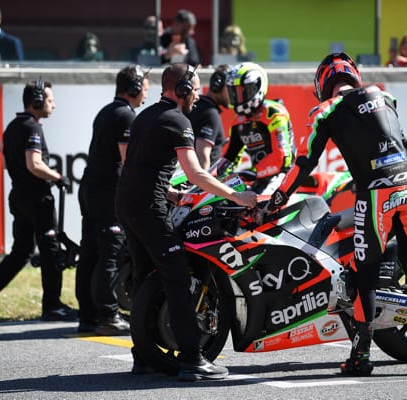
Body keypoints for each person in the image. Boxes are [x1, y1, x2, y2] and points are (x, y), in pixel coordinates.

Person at [267, 52, 407, 375]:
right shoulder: (384, 97)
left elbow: (305, 161)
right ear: (355, 77)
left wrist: (279, 196)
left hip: (377, 197)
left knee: (365, 274)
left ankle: (361, 356)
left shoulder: (327, 109)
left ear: (322, 85)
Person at [115, 63, 257, 380]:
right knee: (176, 275)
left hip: (126, 203)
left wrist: (171, 193)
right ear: (182, 89)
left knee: (144, 277)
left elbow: (138, 168)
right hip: (148, 207)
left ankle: (144, 356)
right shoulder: (178, 120)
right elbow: (196, 173)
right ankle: (193, 359)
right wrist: (237, 196)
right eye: (194, 88)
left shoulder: (145, 116)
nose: (197, 94)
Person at [0, 79, 76, 324]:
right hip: (37, 199)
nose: (53, 105)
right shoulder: (33, 128)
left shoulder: (12, 126)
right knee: (51, 251)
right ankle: (52, 305)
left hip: (19, 196)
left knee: (22, 251)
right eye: (49, 100)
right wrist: (58, 177)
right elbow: (34, 164)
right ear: (37, 101)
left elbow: (5, 164)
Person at [76, 65, 150, 335]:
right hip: (107, 193)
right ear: (134, 87)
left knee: (90, 253)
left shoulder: (106, 111)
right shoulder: (126, 116)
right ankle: (108, 315)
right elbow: (129, 162)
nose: (146, 93)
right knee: (111, 254)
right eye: (144, 88)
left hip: (91, 189)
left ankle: (87, 316)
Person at [222, 62, 296, 195]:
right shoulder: (238, 121)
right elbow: (230, 156)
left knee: (259, 206)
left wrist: (251, 172)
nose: (238, 98)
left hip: (284, 176)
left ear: (258, 87)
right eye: (234, 93)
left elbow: (282, 159)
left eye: (243, 92)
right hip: (257, 178)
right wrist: (212, 176)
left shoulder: (273, 113)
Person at [187, 64, 230, 169]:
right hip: (206, 176)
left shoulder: (200, 106)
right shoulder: (210, 113)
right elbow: (202, 158)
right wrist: (204, 179)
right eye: (229, 88)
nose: (233, 94)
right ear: (217, 86)